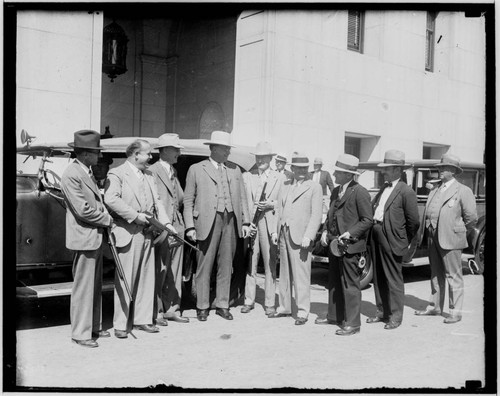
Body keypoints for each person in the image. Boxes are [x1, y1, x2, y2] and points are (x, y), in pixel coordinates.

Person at [104, 139, 175, 338]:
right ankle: (121, 324)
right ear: (136, 154)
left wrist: (166, 223)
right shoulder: (117, 173)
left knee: (146, 277)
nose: (150, 157)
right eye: (147, 153)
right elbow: (110, 199)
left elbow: (158, 201)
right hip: (128, 233)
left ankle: (142, 320)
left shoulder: (149, 174)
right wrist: (135, 215)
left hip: (147, 233)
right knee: (126, 278)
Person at [183, 131, 251, 321]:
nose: (228, 152)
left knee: (226, 264)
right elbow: (188, 200)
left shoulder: (235, 169)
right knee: (205, 264)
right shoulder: (196, 169)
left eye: (229, 148)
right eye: (225, 148)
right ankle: (202, 306)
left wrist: (245, 221)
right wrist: (190, 226)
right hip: (206, 222)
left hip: (230, 221)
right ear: (213, 148)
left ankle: (222, 304)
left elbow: (243, 198)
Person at [60, 130, 113, 348]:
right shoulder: (72, 174)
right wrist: (107, 219)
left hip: (93, 236)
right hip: (85, 236)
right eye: (95, 152)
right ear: (84, 154)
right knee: (84, 287)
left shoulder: (85, 171)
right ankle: (81, 333)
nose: (98, 157)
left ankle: (93, 326)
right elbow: (83, 210)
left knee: (94, 284)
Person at [415, 154, 477, 324]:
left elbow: (471, 218)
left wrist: (458, 231)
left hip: (451, 238)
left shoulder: (463, 191)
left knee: (453, 275)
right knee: (435, 273)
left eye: (445, 168)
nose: (441, 171)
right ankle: (434, 306)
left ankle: (455, 312)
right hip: (432, 237)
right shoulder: (435, 189)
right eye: (440, 168)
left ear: (454, 171)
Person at [315, 154, 372, 335]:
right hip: (334, 244)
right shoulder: (335, 191)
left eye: (338, 172)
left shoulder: (360, 192)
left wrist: (350, 233)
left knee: (350, 284)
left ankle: (353, 323)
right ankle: (334, 316)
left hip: (350, 246)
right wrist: (325, 230)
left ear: (348, 175)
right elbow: (331, 215)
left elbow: (367, 220)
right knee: (334, 282)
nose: (335, 174)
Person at [367, 149, 420, 330]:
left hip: (392, 239)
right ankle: (382, 312)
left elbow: (414, 222)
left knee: (393, 279)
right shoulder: (384, 187)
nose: (383, 172)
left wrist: (403, 240)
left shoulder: (406, 191)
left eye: (387, 169)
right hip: (377, 234)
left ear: (398, 169)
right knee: (379, 276)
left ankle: (396, 317)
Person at [269, 152, 323, 325]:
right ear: (291, 168)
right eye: (298, 168)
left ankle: (302, 311)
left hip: (301, 237)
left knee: (301, 275)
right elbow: (278, 208)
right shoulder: (285, 184)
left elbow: (316, 215)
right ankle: (284, 307)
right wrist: (274, 231)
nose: (301, 171)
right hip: (284, 233)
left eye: (305, 168)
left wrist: (309, 235)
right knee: (284, 274)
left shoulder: (314, 187)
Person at [148, 133, 189, 325]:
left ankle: (172, 308)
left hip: (176, 228)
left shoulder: (173, 171)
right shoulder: (152, 171)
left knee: (175, 270)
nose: (179, 153)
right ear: (163, 151)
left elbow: (178, 198)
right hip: (162, 229)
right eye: (176, 149)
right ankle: (156, 312)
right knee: (160, 270)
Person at [241, 142, 285, 316]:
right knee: (251, 262)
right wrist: (247, 222)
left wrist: (270, 204)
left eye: (264, 157)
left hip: (270, 224)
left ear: (270, 158)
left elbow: (283, 202)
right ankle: (248, 300)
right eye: (258, 157)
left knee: (269, 263)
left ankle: (269, 303)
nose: (260, 160)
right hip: (252, 224)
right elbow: (244, 201)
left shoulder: (279, 178)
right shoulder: (247, 176)